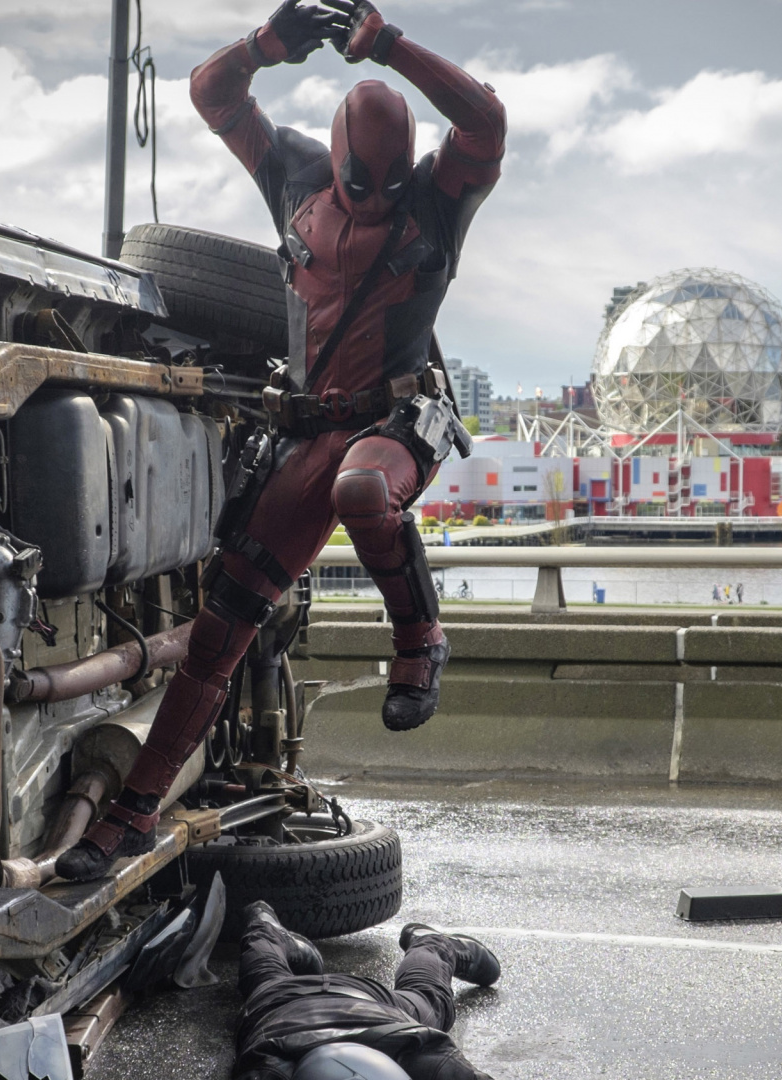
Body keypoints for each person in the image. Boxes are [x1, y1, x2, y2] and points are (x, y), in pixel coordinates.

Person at [58, 0, 506, 881]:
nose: (374, 199)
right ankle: (135, 812)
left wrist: (391, 46)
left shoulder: (439, 194)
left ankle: (420, 641)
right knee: (221, 626)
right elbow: (211, 92)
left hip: (393, 423)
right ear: (335, 164)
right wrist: (272, 41)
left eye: (384, 184)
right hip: (308, 429)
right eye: (358, 183)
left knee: (363, 493)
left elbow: (486, 120)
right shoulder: (297, 176)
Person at [235, 900, 501, 1080]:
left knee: (428, 997)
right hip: (285, 1002)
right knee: (263, 973)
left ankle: (432, 944)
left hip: (357, 1009)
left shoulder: (423, 1056)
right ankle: (264, 929)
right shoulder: (267, 1068)